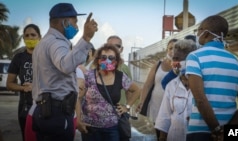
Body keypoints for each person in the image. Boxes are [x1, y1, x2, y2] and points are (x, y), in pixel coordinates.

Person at [31, 3, 98, 141]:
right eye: (75, 22)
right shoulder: (57, 43)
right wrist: (86, 38)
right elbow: (66, 65)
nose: (77, 27)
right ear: (65, 21)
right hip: (56, 114)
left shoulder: (43, 43)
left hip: (44, 112)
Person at [185, 15, 238, 141]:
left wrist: (216, 129)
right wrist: (228, 132)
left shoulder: (195, 57)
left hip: (200, 131)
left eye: (198, 30)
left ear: (205, 33)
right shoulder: (237, 63)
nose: (197, 34)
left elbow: (200, 99)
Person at [76, 44, 140, 141]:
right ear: (98, 60)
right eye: (103, 57)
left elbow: (137, 90)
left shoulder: (120, 77)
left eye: (111, 58)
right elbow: (78, 97)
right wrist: (78, 120)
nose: (107, 60)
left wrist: (126, 107)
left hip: (112, 128)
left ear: (117, 61)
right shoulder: (88, 76)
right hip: (90, 128)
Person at [155, 39, 197, 141]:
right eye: (173, 59)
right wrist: (162, 137)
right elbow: (164, 116)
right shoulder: (171, 85)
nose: (174, 63)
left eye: (178, 59)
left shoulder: (203, 86)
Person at [136, 38, 178, 140]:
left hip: (173, 108)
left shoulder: (181, 66)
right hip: (156, 106)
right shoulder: (158, 64)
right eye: (170, 48)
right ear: (167, 50)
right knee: (158, 134)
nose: (172, 51)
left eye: (176, 48)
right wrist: (141, 102)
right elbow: (147, 85)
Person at [6, 24, 41, 141]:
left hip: (45, 107)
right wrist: (23, 88)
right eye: (27, 35)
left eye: (33, 35)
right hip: (25, 108)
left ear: (39, 37)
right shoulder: (18, 58)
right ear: (23, 39)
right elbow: (9, 84)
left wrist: (35, 86)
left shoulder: (46, 57)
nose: (30, 38)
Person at [106, 35, 133, 105]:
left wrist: (127, 108)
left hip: (118, 112)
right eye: (110, 46)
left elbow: (129, 92)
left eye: (117, 46)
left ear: (121, 49)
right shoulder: (98, 66)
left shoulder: (125, 69)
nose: (114, 48)